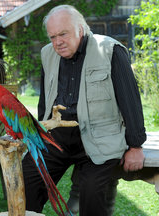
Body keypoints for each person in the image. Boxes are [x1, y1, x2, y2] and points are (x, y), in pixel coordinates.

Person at [22, 5, 146, 216]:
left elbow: (130, 100)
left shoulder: (109, 50)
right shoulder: (47, 53)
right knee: (27, 178)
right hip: (58, 135)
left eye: (63, 34)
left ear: (80, 29)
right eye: (52, 36)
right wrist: (39, 133)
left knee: (91, 194)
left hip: (100, 136)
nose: (57, 42)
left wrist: (135, 145)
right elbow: (45, 100)